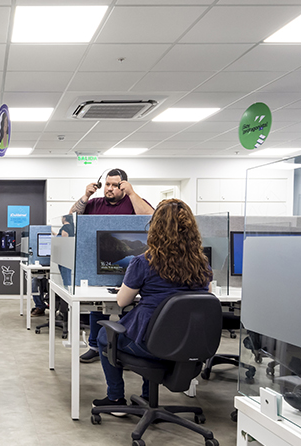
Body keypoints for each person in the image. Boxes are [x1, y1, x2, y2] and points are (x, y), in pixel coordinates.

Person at [93, 199, 213, 412]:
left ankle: (115, 398)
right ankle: (147, 397)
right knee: (154, 330)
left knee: (105, 335)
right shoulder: (202, 263)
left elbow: (122, 301)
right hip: (189, 343)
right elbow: (206, 298)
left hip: (152, 345)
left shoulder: (143, 262)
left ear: (155, 228)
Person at [70, 168, 154, 363]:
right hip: (99, 264)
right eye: (107, 184)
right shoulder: (95, 203)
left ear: (124, 185)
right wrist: (85, 196)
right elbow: (71, 218)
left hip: (133, 265)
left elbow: (151, 218)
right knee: (97, 308)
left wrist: (132, 193)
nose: (109, 188)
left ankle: (126, 347)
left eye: (115, 185)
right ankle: (94, 346)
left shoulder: (133, 201)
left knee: (129, 306)